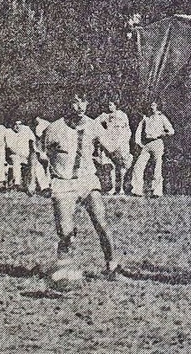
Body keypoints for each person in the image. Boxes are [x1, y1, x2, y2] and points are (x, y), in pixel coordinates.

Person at [42, 94, 120, 281]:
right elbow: (38, 152)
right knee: (66, 232)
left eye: (83, 101)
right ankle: (62, 269)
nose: (80, 106)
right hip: (63, 182)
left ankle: (113, 266)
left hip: (87, 180)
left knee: (101, 222)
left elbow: (111, 148)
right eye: (75, 101)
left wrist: (118, 162)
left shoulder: (93, 125)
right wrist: (36, 179)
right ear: (67, 104)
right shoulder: (55, 128)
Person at [130, 101, 174, 198]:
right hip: (146, 144)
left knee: (157, 167)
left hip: (157, 143)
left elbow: (171, 131)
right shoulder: (146, 118)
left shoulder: (161, 117)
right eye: (150, 105)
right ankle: (137, 190)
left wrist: (162, 134)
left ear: (158, 106)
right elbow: (138, 130)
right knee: (138, 166)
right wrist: (138, 142)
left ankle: (157, 192)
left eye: (154, 105)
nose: (151, 107)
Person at [95, 99, 132, 195]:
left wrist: (124, 140)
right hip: (110, 143)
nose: (109, 107)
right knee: (112, 165)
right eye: (108, 105)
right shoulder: (106, 116)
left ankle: (121, 189)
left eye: (111, 105)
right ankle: (113, 188)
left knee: (122, 166)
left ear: (116, 105)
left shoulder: (121, 115)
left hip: (120, 142)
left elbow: (126, 129)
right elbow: (94, 122)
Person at [6, 119, 36, 191]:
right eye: (15, 124)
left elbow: (33, 140)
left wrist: (33, 151)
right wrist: (20, 154)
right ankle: (17, 183)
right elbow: (9, 147)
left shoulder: (26, 129)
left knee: (35, 162)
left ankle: (40, 186)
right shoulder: (8, 132)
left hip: (25, 155)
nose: (17, 126)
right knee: (16, 161)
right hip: (14, 155)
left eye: (19, 124)